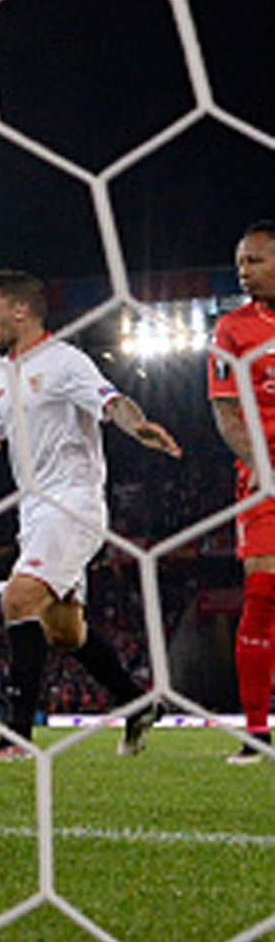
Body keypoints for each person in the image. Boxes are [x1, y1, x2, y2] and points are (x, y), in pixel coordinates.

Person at [0, 270, 179, 762]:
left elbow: (111, 403)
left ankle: (16, 739)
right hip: (33, 508)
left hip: (73, 500)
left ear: (20, 309)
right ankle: (137, 703)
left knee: (18, 600)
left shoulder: (65, 361)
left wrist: (138, 426)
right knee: (65, 632)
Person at [210, 220, 275, 765]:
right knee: (262, 590)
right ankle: (256, 732)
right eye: (240, 262)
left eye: (255, 260)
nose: (244, 270)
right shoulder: (233, 329)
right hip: (265, 473)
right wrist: (257, 463)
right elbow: (226, 410)